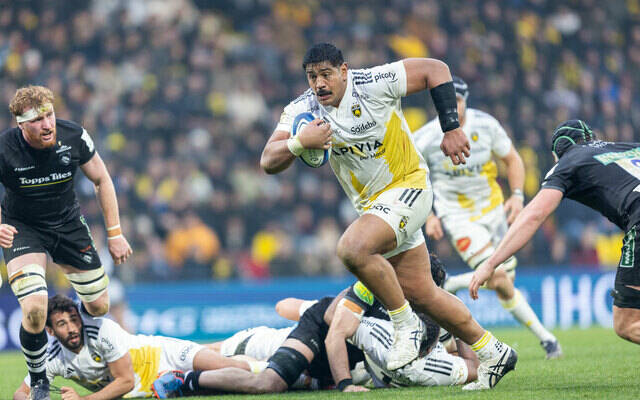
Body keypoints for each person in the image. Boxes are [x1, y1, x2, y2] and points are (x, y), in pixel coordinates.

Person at [259, 42, 515, 389]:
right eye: (312, 76)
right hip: (378, 209)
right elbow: (268, 161)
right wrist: (299, 142)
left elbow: (436, 70)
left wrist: (451, 127)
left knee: (352, 248)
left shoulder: (373, 83)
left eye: (326, 74)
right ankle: (494, 351)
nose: (319, 84)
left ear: (344, 71)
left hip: (410, 186)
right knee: (424, 294)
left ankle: (405, 324)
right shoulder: (303, 109)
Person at [413, 76, 561, 359]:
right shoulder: (426, 137)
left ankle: (548, 340)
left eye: (457, 101)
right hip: (457, 216)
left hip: (494, 213)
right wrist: (430, 215)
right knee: (500, 275)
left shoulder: (487, 125)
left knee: (504, 284)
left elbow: (513, 160)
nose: (452, 107)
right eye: (447, 102)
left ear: (465, 101)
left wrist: (517, 196)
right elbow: (416, 178)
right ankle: (547, 340)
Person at [0, 86, 132, 399]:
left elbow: (101, 178)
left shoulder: (74, 136)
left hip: (68, 225)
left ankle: (89, 352)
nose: (47, 124)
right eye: (37, 120)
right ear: (21, 125)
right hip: (22, 227)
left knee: (99, 306)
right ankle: (39, 380)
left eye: (50, 115)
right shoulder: (4, 148)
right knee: (33, 308)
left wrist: (114, 233)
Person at [469, 119, 640, 346]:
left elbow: (535, 214)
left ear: (557, 154)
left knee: (627, 324)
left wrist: (491, 263)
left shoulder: (569, 162)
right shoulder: (627, 147)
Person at [12, 295, 261, 400]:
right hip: (157, 383)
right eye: (62, 324)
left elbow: (126, 382)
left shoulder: (100, 331)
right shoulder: (52, 358)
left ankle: (270, 360)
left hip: (164, 353)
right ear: (51, 331)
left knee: (237, 368)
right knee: (224, 382)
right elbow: (20, 393)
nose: (73, 328)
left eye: (74, 319)